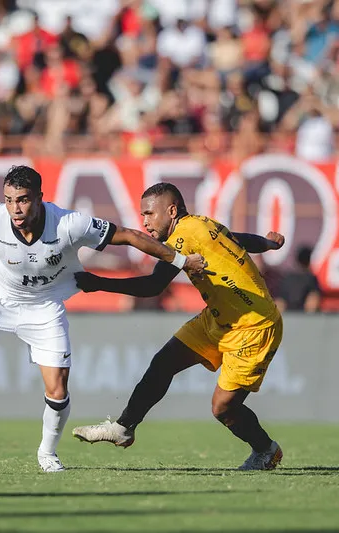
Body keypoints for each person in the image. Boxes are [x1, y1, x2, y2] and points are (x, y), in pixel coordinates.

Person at [0, 166, 207, 473]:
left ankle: (47, 453)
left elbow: (129, 236)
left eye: (23, 200)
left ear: (40, 198)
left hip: (44, 307)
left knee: (57, 389)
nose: (15, 208)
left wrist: (180, 260)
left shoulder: (71, 224)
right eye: (9, 200)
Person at [71, 183, 287, 471]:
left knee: (223, 408)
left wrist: (99, 283)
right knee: (164, 363)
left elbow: (153, 286)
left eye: (149, 213)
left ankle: (266, 450)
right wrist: (267, 243)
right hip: (219, 317)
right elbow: (237, 239)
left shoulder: (183, 236)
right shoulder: (201, 224)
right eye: (141, 215)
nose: (144, 222)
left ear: (171, 211)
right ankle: (124, 428)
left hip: (253, 326)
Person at [276, 246, 321, 313]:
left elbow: (279, 301)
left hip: (287, 317)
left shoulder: (287, 278)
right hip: (304, 318)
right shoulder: (311, 279)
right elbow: (313, 302)